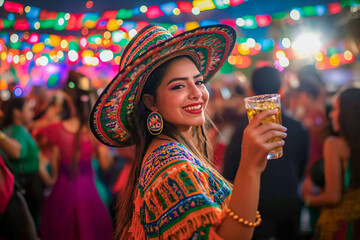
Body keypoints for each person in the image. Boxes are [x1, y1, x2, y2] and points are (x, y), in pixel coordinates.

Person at [90, 24, 287, 239]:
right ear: (151, 102)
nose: (197, 93)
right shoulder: (170, 166)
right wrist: (249, 167)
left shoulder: (167, 154)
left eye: (199, 81)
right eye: (178, 86)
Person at [223, 66, 310, 239]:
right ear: (281, 91)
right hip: (288, 204)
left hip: (254, 210)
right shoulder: (298, 128)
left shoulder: (244, 130)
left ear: (250, 91)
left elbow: (229, 171)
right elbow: (301, 169)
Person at [36, 71, 113, 240]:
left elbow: (35, 139)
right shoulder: (94, 133)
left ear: (68, 103)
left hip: (61, 194)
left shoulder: (56, 129)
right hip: (89, 193)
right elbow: (106, 164)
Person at [303, 87, 360, 239]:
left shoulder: (334, 145)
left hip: (342, 226)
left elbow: (333, 197)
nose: (331, 114)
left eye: (335, 109)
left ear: (348, 114)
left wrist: (307, 200)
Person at [0, 97, 44, 231]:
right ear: (17, 113)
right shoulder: (15, 131)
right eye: (29, 109)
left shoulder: (21, 130)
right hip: (25, 185)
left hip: (29, 184)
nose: (32, 113)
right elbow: (17, 152)